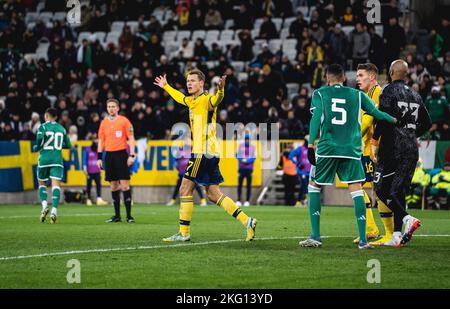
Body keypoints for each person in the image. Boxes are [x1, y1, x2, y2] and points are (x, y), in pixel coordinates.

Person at [299, 64, 398, 250]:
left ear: (328, 79)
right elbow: (376, 114)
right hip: (352, 150)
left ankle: (315, 236)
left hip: (328, 148)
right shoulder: (357, 94)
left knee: (314, 186)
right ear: (344, 78)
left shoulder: (320, 94)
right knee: (357, 190)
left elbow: (316, 118)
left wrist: (311, 143)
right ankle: (363, 240)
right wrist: (394, 120)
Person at [154, 69, 257, 242]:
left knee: (185, 188)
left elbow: (217, 99)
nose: (189, 83)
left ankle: (184, 233)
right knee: (213, 194)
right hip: (211, 153)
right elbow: (180, 98)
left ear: (201, 83)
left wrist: (221, 90)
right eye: (188, 81)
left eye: (193, 80)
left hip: (202, 152)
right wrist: (166, 87)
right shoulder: (191, 101)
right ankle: (248, 221)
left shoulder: (207, 99)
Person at [371, 60, 432, 247]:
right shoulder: (415, 94)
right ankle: (397, 235)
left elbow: (383, 118)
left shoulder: (388, 91)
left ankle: (407, 218)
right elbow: (427, 123)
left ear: (390, 72)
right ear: (405, 74)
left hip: (392, 148)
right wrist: (411, 134)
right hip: (411, 148)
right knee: (398, 191)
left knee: (380, 187)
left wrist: (374, 140)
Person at [354, 63, 394, 246]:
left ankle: (385, 231)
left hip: (371, 150)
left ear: (372, 77)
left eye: (361, 75)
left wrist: (353, 137)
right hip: (367, 149)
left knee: (370, 188)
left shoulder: (378, 93)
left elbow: (369, 121)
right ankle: (373, 229)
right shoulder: (367, 95)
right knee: (363, 187)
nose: (357, 78)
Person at [97, 98, 136, 223]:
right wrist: (99, 157)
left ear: (118, 108)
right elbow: (101, 141)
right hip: (109, 156)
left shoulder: (124, 121)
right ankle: (117, 216)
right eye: (109, 107)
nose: (111, 109)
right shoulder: (104, 123)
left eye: (113, 106)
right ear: (107, 108)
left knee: (125, 185)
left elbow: (131, 138)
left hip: (121, 155)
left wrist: (132, 155)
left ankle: (129, 216)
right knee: (113, 186)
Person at [35, 108, 72, 224]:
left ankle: (45, 205)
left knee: (41, 183)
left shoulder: (42, 127)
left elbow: (40, 139)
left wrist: (37, 147)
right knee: (56, 185)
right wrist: (59, 147)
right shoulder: (62, 129)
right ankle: (54, 211)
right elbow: (69, 145)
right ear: (56, 117)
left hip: (44, 159)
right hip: (57, 159)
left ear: (46, 116)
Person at [167, 136, 207, 207]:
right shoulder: (180, 148)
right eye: (186, 140)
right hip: (182, 170)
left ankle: (203, 200)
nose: (187, 141)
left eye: (188, 140)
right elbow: (176, 158)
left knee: (196, 185)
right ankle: (172, 200)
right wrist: (176, 165)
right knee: (178, 186)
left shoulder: (192, 149)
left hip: (191, 170)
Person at [82, 136, 108, 206]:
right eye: (96, 140)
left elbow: (103, 158)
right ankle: (88, 199)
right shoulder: (87, 149)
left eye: (98, 140)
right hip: (89, 172)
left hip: (97, 171)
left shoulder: (99, 150)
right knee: (88, 186)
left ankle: (99, 199)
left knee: (98, 185)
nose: (97, 142)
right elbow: (84, 159)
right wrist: (84, 168)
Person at [288, 137, 311, 208]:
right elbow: (290, 156)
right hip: (302, 171)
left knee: (307, 186)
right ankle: (303, 201)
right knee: (304, 185)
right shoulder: (300, 149)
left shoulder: (312, 149)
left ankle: (302, 201)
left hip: (309, 172)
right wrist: (297, 163)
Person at [235, 133, 256, 207]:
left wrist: (247, 161)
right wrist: (242, 160)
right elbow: (236, 155)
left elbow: (254, 157)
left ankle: (247, 201)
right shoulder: (240, 146)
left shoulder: (253, 147)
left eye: (248, 139)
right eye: (246, 139)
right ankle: (238, 200)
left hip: (249, 169)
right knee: (239, 185)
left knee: (248, 186)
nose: (247, 141)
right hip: (241, 168)